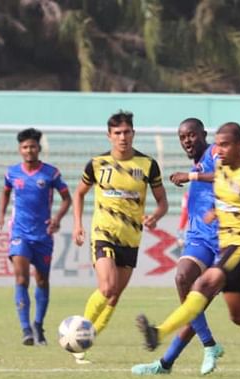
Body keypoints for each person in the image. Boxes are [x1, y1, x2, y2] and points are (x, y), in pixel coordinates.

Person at [136, 122, 240, 379]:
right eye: (219, 145)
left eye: (225, 145)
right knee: (239, 315)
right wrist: (215, 212)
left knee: (203, 284)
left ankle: (159, 333)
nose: (219, 150)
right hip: (224, 245)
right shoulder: (223, 170)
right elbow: (228, 199)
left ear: (239, 145)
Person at [132, 118, 228, 376]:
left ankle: (166, 363)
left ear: (203, 134)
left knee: (198, 305)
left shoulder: (215, 152)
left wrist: (191, 176)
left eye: (191, 135)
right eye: (182, 137)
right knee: (183, 279)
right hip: (198, 239)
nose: (187, 141)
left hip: (225, 244)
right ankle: (207, 346)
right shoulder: (197, 163)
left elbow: (226, 174)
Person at [72, 110, 168, 358]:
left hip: (131, 238)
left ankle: (86, 339)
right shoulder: (96, 164)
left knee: (114, 296)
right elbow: (79, 193)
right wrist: (78, 225)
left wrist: (155, 216)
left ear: (133, 133)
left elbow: (162, 201)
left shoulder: (147, 165)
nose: (122, 137)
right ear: (109, 136)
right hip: (104, 232)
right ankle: (78, 333)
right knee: (107, 287)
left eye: (127, 132)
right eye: (117, 133)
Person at [0, 128, 71, 345]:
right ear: (20, 149)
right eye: (25, 147)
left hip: (43, 235)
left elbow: (67, 198)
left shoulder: (50, 173)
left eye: (33, 146)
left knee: (42, 280)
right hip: (19, 233)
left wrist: (56, 219)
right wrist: (0, 215)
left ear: (39, 148)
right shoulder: (12, 173)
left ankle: (38, 324)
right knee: (21, 277)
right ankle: (26, 329)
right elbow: (5, 192)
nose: (29, 150)